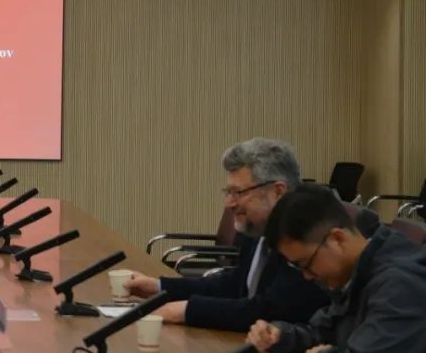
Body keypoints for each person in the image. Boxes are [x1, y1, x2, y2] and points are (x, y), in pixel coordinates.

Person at [124, 138, 330, 331]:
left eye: (238, 193)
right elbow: (235, 284)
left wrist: (187, 310)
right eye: (228, 192)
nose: (229, 203)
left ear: (278, 191)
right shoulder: (257, 230)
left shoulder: (306, 237)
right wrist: (160, 287)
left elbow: (273, 310)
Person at [247, 184, 426, 353]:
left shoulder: (401, 283)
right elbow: (324, 331)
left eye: (305, 264)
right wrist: (281, 336)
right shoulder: (362, 269)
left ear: (337, 239)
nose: (307, 276)